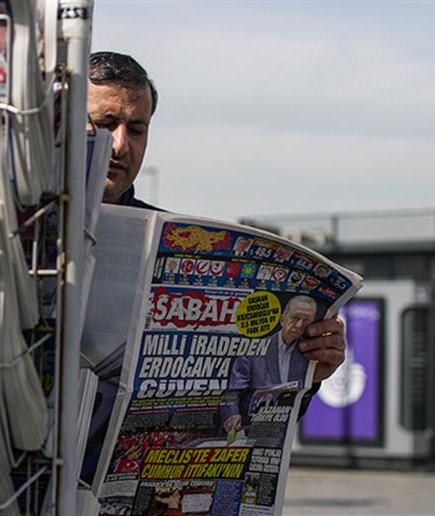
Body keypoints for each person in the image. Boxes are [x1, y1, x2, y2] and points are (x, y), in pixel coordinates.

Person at [85, 51, 347, 391]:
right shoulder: (23, 230)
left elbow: (229, 401)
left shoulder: (170, 238)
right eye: (104, 124)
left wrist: (305, 373)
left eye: (136, 129)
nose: (120, 145)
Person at [220, 296, 317, 432]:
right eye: (295, 318)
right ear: (283, 320)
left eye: (306, 320)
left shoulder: (308, 353)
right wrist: (232, 414)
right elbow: (233, 391)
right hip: (246, 429)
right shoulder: (254, 349)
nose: (299, 325)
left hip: (280, 430)